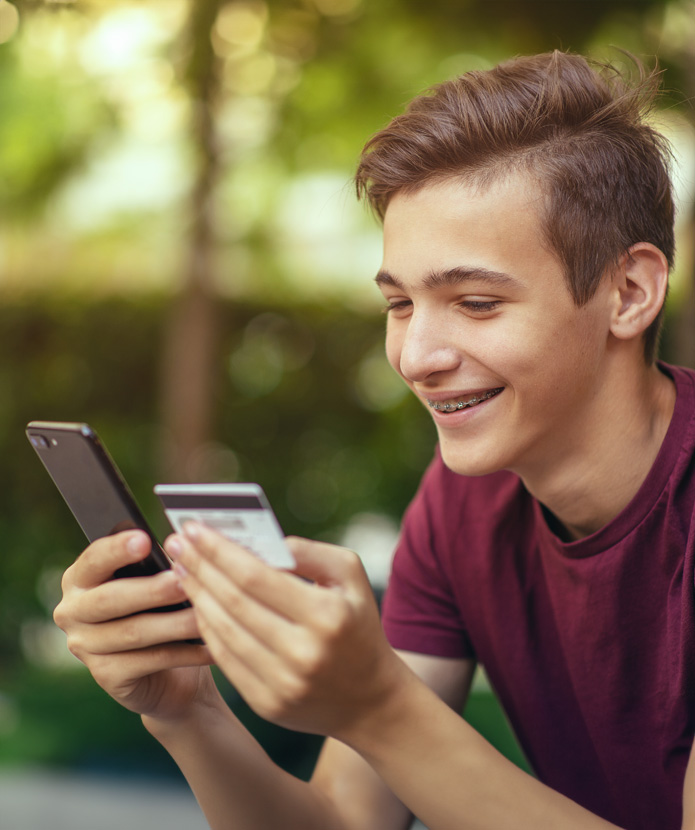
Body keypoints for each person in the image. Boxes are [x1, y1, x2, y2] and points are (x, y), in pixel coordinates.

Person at [53, 50, 694, 830]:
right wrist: (187, 716)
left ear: (628, 293)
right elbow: (347, 822)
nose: (417, 357)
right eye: (400, 305)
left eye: (476, 302)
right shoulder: (465, 500)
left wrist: (380, 707)